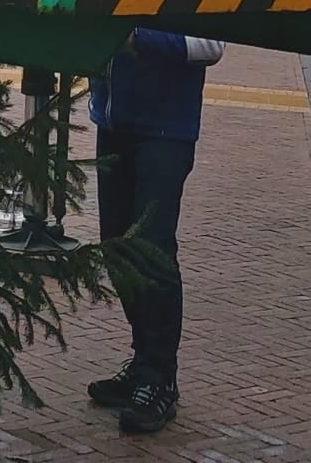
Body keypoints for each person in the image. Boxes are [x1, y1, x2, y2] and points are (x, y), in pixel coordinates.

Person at [86, 27, 226, 435]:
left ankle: (160, 377)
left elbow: (210, 44)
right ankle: (144, 364)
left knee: (152, 248)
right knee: (117, 248)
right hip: (113, 120)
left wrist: (134, 36)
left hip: (166, 129)